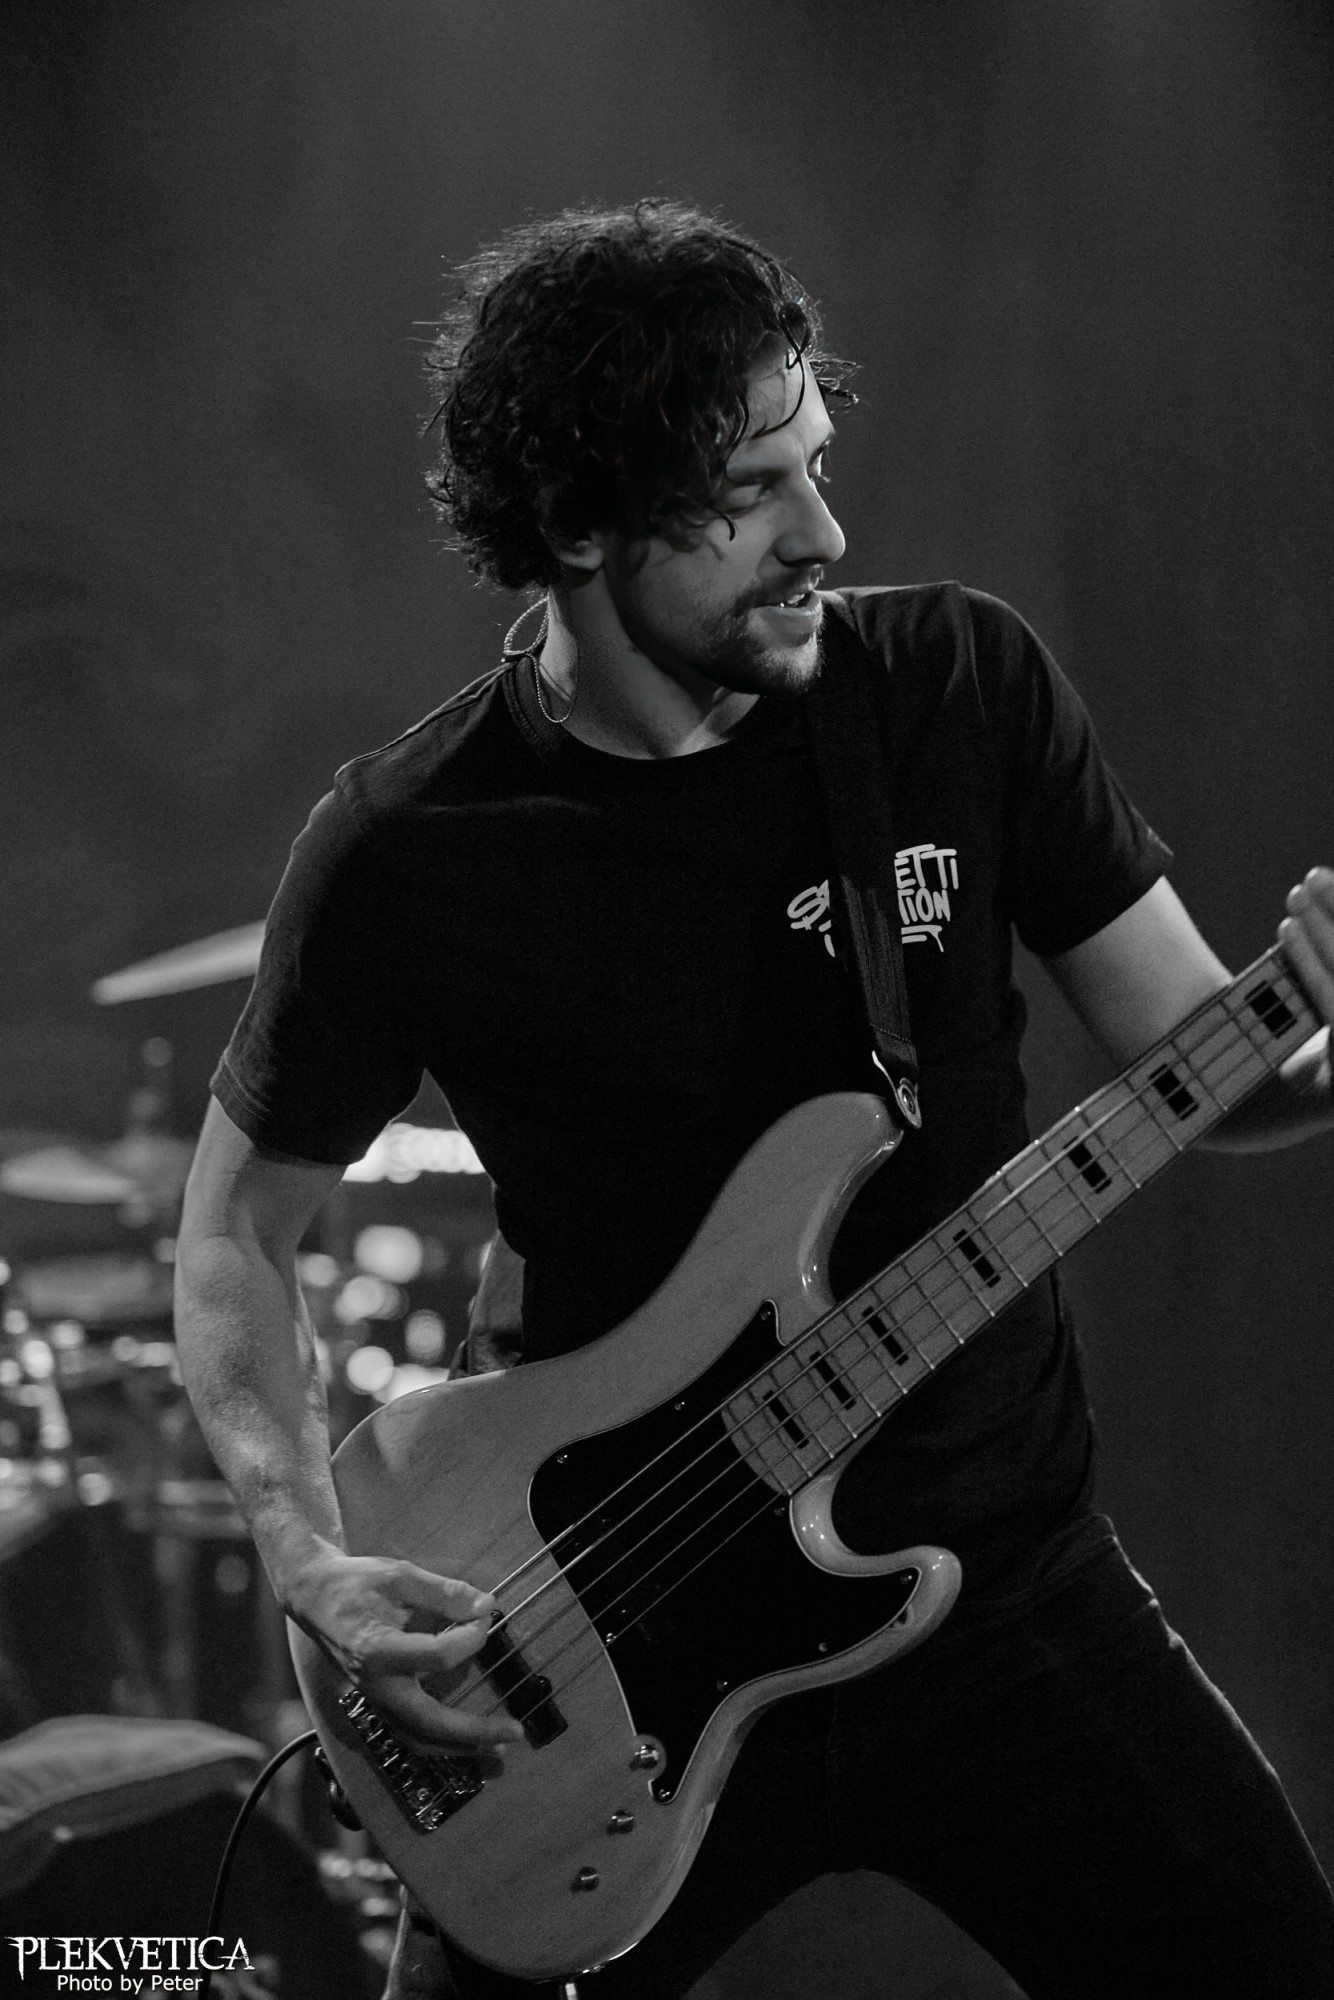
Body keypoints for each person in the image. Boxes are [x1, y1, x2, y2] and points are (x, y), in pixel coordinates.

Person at [174, 201, 1334, 2000]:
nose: (823, 533)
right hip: (587, 1630)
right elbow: (234, 1235)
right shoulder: (411, 847)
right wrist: (303, 1551)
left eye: (817, 462)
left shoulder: (953, 688)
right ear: (576, 524)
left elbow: (1211, 1072)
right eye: (746, 492)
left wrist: (1313, 1034)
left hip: (1003, 1594)